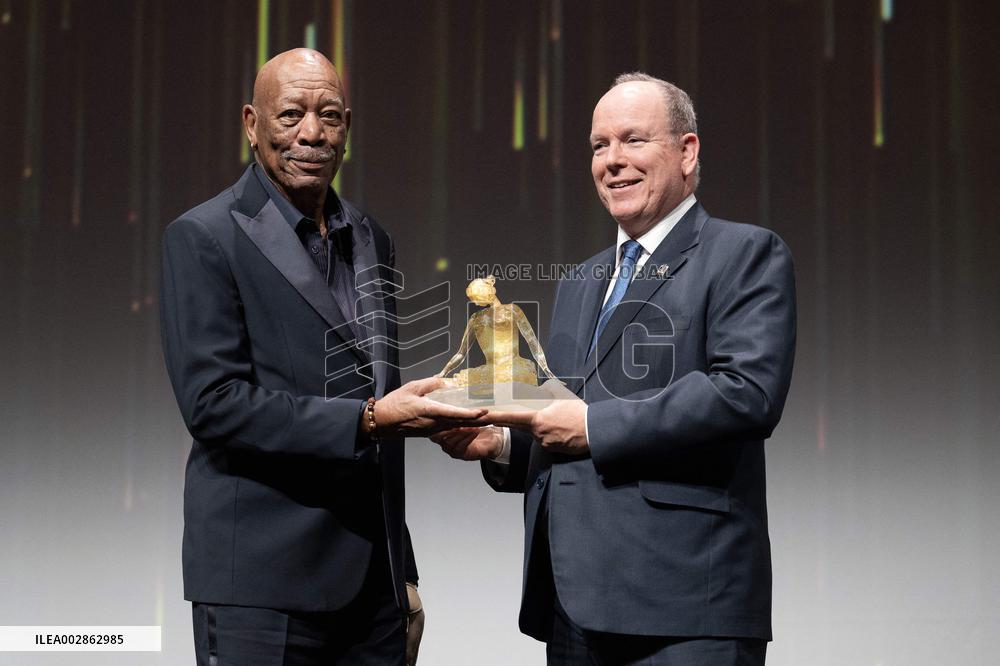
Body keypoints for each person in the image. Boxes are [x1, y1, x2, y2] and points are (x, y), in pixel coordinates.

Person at [433, 72, 796, 664]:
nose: (612, 161)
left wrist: (595, 427)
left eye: (633, 140)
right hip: (574, 607)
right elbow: (566, 422)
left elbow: (746, 394)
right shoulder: (581, 282)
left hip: (684, 610)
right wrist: (500, 444)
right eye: (599, 145)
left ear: (687, 151)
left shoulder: (745, 253)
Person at [160, 48, 486, 665]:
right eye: (290, 115)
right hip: (262, 591)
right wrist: (368, 420)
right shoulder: (204, 237)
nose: (311, 133)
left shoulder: (372, 237)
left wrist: (402, 572)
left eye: (329, 115)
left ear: (348, 129)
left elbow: (377, 395)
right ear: (252, 125)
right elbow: (214, 406)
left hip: (374, 596)